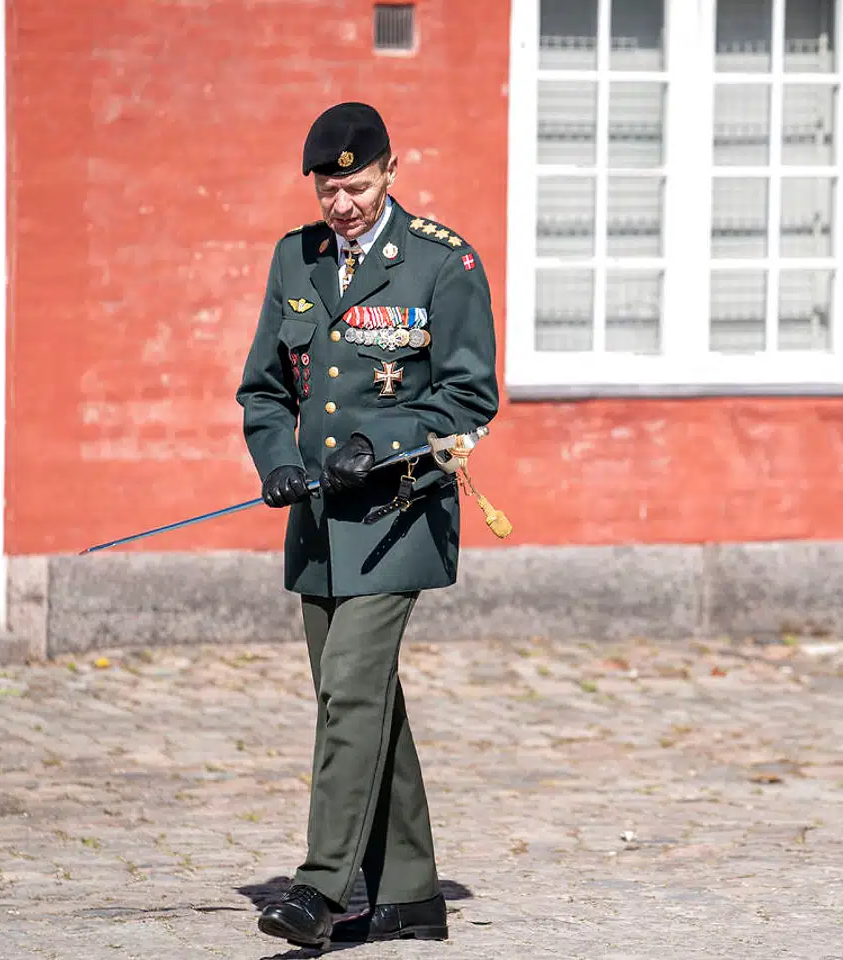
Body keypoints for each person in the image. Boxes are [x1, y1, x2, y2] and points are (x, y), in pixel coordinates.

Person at [235, 100, 499, 949]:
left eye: (355, 183)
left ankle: (320, 890)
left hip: (398, 512)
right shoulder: (295, 259)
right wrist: (276, 460)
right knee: (359, 696)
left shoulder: (441, 263)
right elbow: (266, 389)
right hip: (316, 519)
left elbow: (468, 398)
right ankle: (414, 895)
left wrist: (374, 443)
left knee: (350, 686)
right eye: (327, 187)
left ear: (391, 170)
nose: (340, 202)